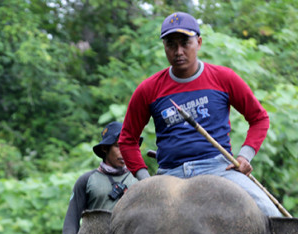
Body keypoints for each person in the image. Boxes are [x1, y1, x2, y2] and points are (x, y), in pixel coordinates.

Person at [117, 11, 281, 217]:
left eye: (185, 43)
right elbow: (127, 139)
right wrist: (145, 180)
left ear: (199, 42)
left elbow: (259, 118)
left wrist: (244, 156)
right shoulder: (148, 89)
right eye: (171, 44)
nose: (178, 51)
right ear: (164, 47)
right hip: (169, 175)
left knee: (271, 214)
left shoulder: (224, 78)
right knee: (121, 222)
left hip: (220, 170)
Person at [61, 121, 141, 234]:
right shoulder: (87, 180)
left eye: (127, 145)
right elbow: (72, 218)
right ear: (105, 148)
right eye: (118, 146)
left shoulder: (139, 179)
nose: (123, 151)